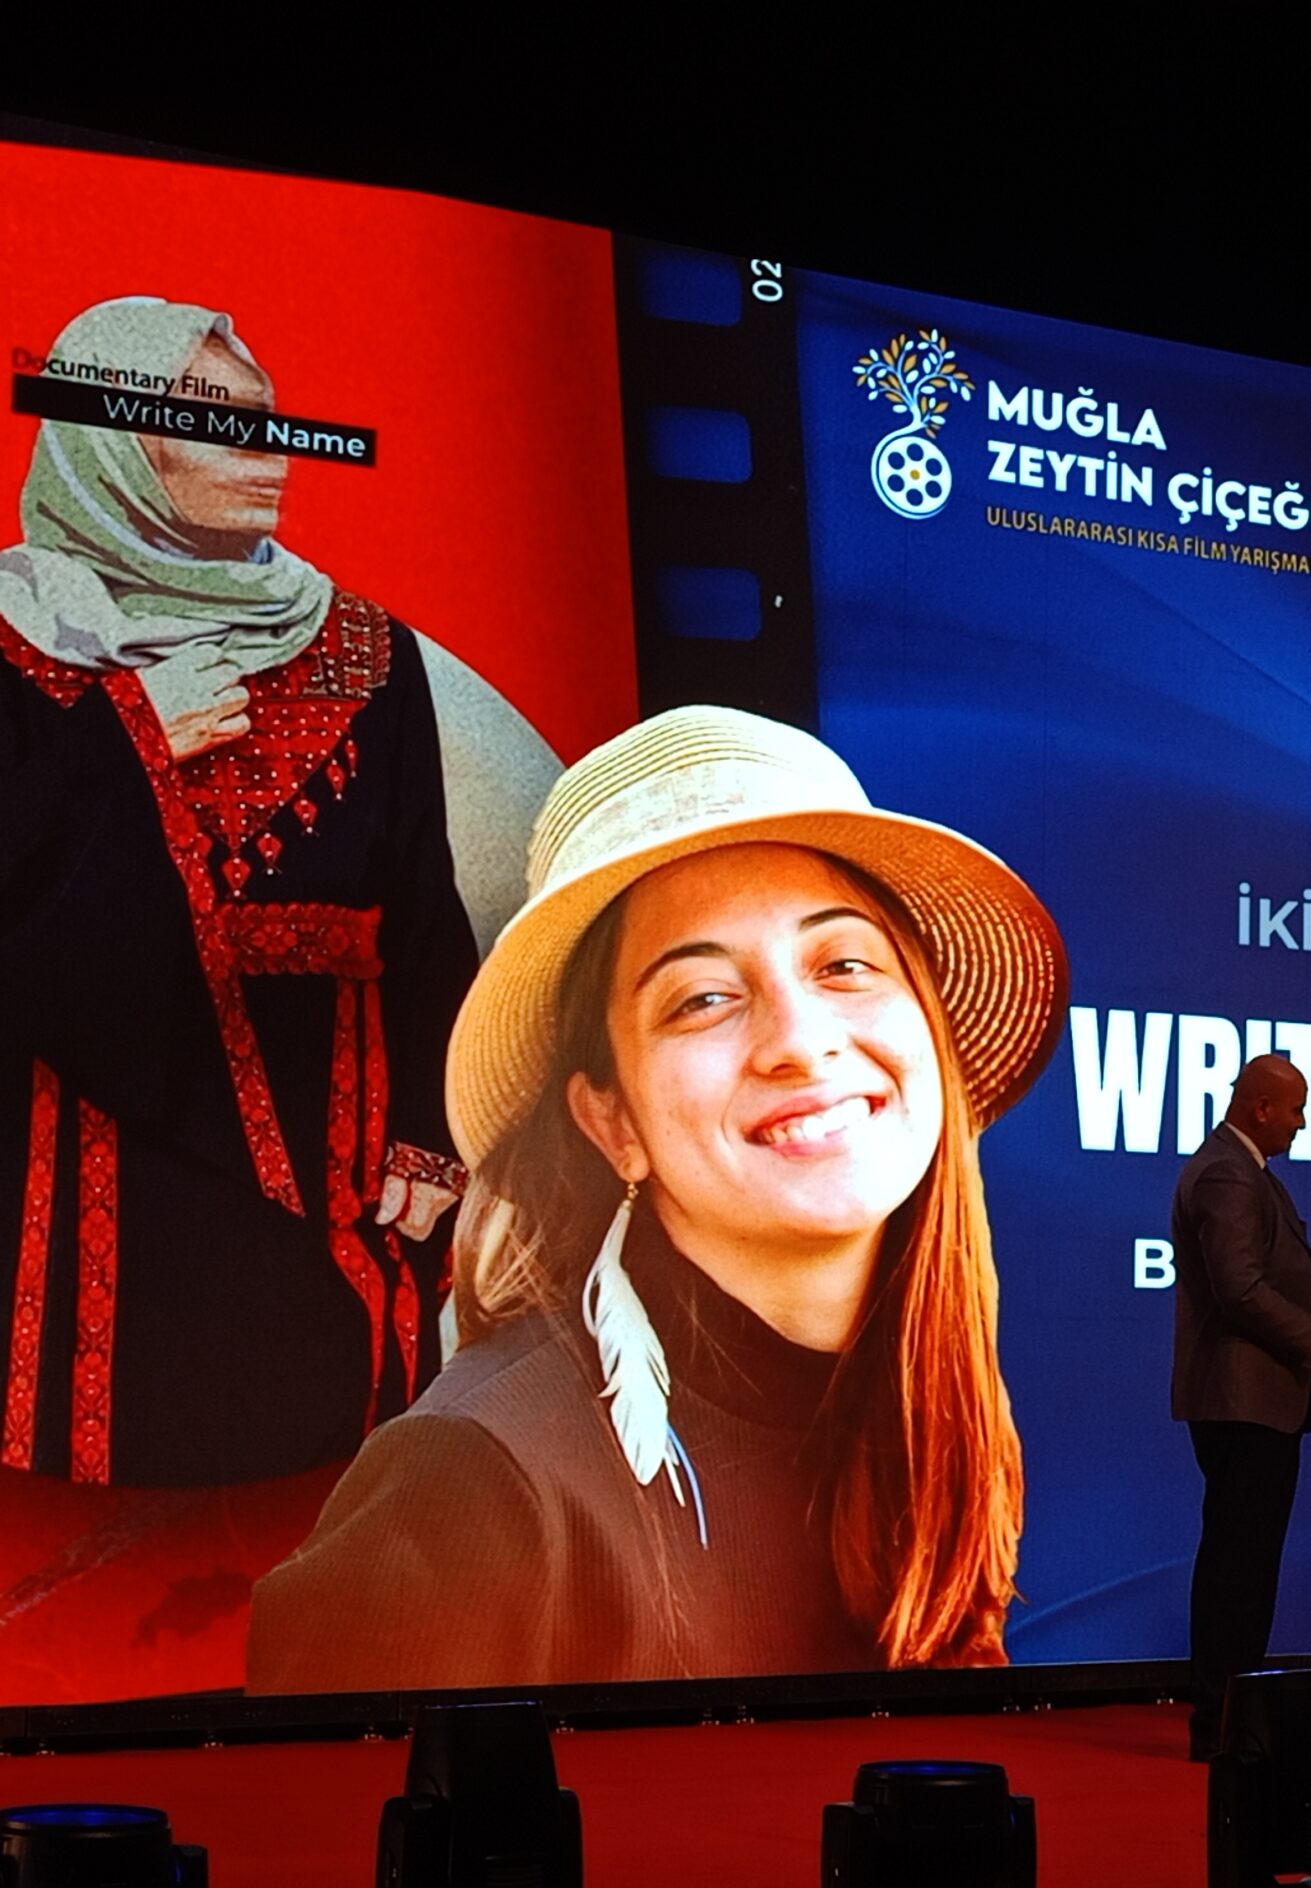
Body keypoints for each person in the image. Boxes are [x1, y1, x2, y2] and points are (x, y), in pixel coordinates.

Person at [245, 704, 1068, 1689]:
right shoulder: (472, 1483)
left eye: (844, 964)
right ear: (612, 1123)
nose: (800, 1040)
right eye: (702, 998)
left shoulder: (935, 1415)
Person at [0, 297, 478, 1487]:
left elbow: (421, 903)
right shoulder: (14, 640)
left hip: (326, 1149)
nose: (270, 457)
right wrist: (127, 739)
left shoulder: (367, 645)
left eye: (271, 424)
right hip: (73, 1141)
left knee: (319, 1478)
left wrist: (431, 1134)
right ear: (113, 449)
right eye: (218, 425)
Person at [1171, 1053, 1311, 1760]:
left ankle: (1234, 1713)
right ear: (1261, 1107)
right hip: (1243, 1400)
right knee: (1237, 1570)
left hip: (1261, 1400)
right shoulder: (1227, 1172)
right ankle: (1222, 1721)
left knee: (1246, 1565)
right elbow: (1238, 1287)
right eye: (1297, 1108)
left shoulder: (1247, 1172)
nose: (1303, 1123)